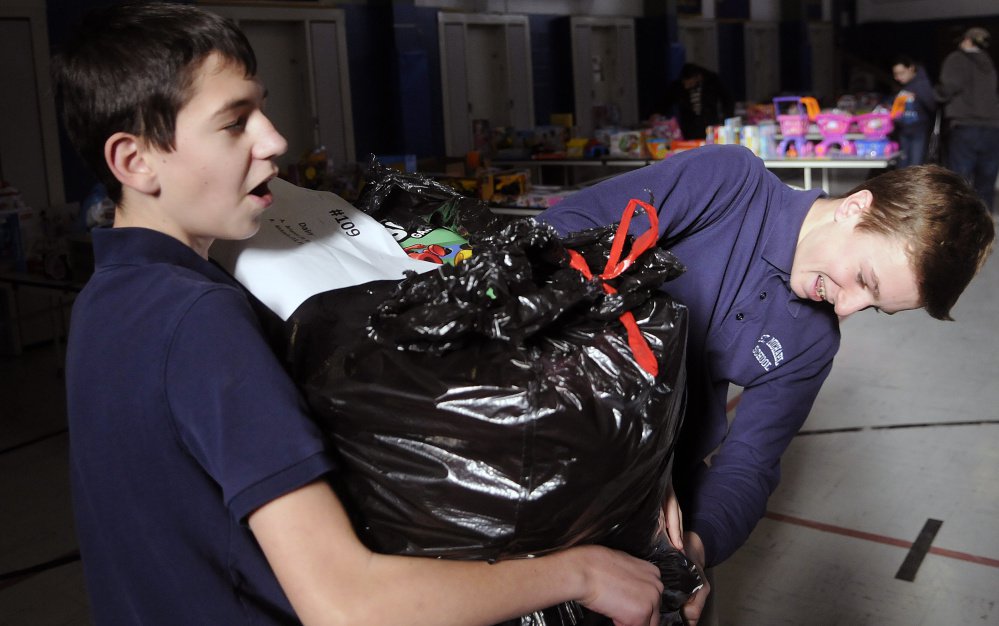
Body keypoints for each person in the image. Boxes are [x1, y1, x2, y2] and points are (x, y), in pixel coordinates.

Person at [55, 3, 669, 624]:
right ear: (134, 161)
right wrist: (582, 571)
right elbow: (347, 602)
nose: (274, 140)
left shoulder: (104, 305)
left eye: (260, 109)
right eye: (234, 123)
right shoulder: (201, 320)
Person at [536, 144, 995, 624]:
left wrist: (694, 548)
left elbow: (750, 465)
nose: (845, 308)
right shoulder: (728, 184)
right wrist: (639, 449)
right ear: (856, 208)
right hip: (548, 436)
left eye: (873, 307)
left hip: (657, 499)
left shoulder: (813, 339)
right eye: (863, 279)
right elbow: (558, 241)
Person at [934, 26, 999, 215]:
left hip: (965, 126)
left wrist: (936, 93)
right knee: (986, 180)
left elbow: (947, 88)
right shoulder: (987, 62)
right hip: (992, 127)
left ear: (967, 40)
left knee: (960, 179)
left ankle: (961, 222)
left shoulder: (956, 59)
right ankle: (984, 221)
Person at [660, 63, 735, 140]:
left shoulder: (712, 82)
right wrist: (657, 113)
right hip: (689, 127)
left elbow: (727, 100)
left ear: (698, 77)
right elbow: (666, 101)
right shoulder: (678, 87)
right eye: (685, 83)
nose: (686, 86)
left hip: (709, 123)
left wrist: (726, 120)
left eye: (690, 83)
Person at [890, 55, 937, 167]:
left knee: (915, 166)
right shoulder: (905, 85)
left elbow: (932, 106)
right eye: (896, 74)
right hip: (904, 130)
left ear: (911, 68)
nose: (898, 77)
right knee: (902, 165)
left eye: (901, 73)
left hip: (918, 131)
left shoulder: (922, 84)